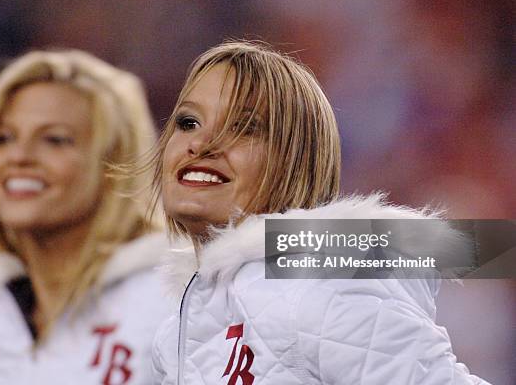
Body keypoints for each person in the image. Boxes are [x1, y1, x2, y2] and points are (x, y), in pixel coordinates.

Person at [151, 41, 489, 384]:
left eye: (244, 128)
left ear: (295, 162)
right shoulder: (176, 336)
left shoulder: (316, 291)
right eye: (188, 122)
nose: (201, 143)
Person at [0, 50, 172, 384]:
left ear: (115, 163)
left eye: (54, 140)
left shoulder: (178, 293)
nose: (20, 157)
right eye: (2, 139)